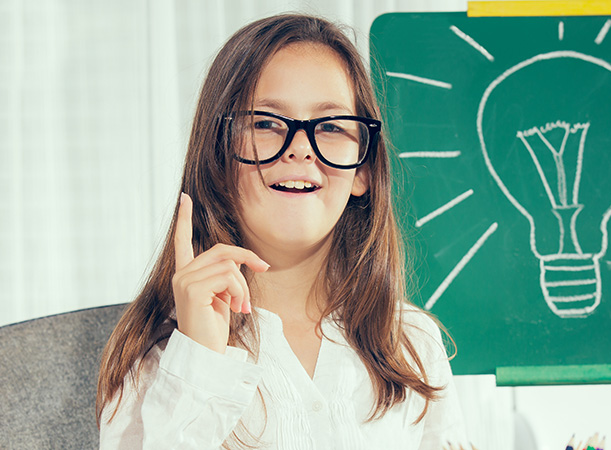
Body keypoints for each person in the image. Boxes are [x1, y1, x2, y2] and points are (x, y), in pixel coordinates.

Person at [95, 13, 467, 450]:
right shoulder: (156, 357)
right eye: (266, 124)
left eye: (330, 127)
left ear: (364, 168)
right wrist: (198, 363)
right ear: (218, 157)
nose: (300, 149)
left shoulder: (412, 343)